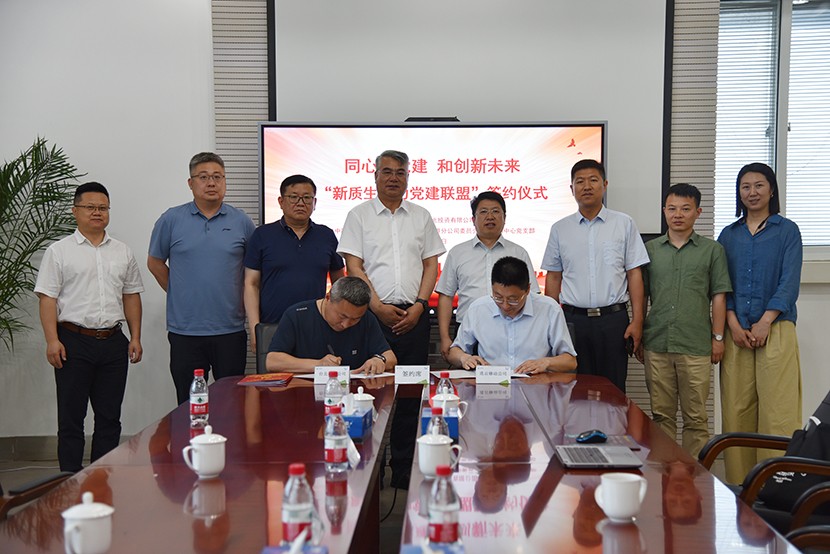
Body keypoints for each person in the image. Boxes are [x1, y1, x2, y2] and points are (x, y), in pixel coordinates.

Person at [337, 149, 446, 489]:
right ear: (375, 176)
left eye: (400, 172)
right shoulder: (359, 215)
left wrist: (420, 305)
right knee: (368, 394)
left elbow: (431, 264)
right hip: (370, 318)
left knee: (411, 396)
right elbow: (354, 266)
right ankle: (369, 471)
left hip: (414, 317)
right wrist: (377, 306)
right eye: (387, 171)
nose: (394, 178)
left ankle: (402, 471)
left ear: (408, 177)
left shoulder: (421, 216)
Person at [34, 182, 143, 472]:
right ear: (75, 211)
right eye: (90, 207)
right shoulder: (59, 251)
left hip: (113, 342)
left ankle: (101, 479)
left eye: (103, 208)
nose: (97, 212)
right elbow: (47, 299)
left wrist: (135, 337)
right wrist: (52, 340)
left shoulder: (122, 251)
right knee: (72, 418)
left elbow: (131, 296)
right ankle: (68, 481)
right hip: (72, 341)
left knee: (109, 417)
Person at [717, 162, 802, 484]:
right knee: (737, 409)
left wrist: (766, 321)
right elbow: (721, 285)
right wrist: (733, 323)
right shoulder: (729, 235)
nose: (752, 192)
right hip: (736, 331)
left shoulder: (787, 230)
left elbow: (789, 282)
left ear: (771, 190)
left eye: (759, 185)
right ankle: (740, 486)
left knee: (777, 410)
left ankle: (777, 485)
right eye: (745, 186)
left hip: (776, 328)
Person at [148, 152, 255, 404]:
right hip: (185, 330)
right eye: (203, 177)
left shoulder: (241, 221)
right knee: (189, 404)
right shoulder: (171, 219)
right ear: (190, 183)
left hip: (230, 329)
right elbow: (154, 262)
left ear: (225, 181)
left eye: (218, 177)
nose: (211, 183)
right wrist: (178, 291)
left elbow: (253, 272)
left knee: (231, 404)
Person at [639, 184, 732, 457]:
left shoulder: (712, 250)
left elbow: (719, 296)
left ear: (698, 212)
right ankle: (664, 471)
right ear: (664, 211)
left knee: (696, 417)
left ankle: (695, 476)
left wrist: (718, 338)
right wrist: (640, 334)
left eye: (685, 209)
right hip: (657, 343)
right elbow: (642, 296)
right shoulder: (650, 250)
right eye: (672, 208)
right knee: (661, 416)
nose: (677, 214)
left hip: (696, 345)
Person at [541, 159, 649, 393]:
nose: (587, 186)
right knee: (574, 390)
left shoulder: (624, 223)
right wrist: (550, 323)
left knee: (614, 390)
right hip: (573, 321)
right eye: (580, 181)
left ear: (605, 184)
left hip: (613, 320)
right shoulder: (560, 229)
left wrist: (637, 321)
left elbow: (634, 274)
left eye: (593, 180)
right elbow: (554, 278)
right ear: (572, 188)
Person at [243, 174, 344, 351]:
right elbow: (251, 284)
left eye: (307, 198)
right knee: (274, 369)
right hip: (273, 325)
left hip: (317, 326)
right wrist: (255, 327)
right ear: (281, 201)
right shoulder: (262, 235)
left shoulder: (326, 235)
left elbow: (339, 283)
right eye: (294, 197)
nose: (300, 203)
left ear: (314, 202)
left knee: (316, 369)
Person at [436, 191, 540, 360]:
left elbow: (532, 294)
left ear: (504, 218)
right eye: (483, 212)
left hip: (512, 327)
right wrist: (444, 337)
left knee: (511, 374)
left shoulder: (518, 252)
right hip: (468, 330)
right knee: (469, 373)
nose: (490, 216)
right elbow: (446, 296)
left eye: (495, 211)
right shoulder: (458, 253)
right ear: (473, 219)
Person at [448, 256, 576, 374]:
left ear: (527, 290)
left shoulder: (549, 309)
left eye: (513, 299)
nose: (505, 305)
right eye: (498, 297)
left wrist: (546, 363)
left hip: (535, 384)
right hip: (491, 384)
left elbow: (570, 361)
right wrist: (464, 358)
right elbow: (454, 352)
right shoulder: (478, 309)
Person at [266, 276, 396, 374]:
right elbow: (272, 361)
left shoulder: (367, 319)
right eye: (342, 316)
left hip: (354, 394)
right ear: (328, 298)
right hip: (303, 391)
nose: (346, 324)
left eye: (355, 319)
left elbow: (390, 357)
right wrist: (318, 364)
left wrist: (379, 360)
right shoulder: (296, 315)